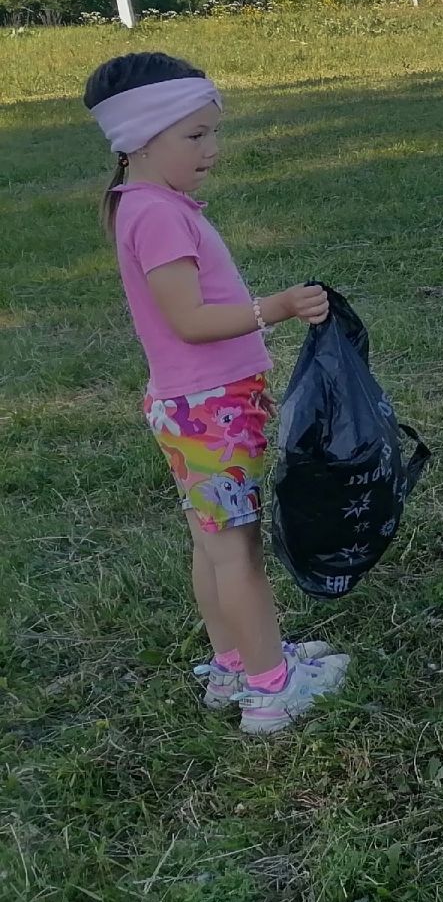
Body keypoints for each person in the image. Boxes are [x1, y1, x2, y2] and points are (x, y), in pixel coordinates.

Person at [90, 52, 350, 737]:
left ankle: (235, 662)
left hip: (194, 407)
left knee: (212, 544)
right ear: (141, 138)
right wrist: (278, 307)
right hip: (212, 411)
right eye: (195, 135)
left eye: (213, 132)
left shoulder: (147, 205)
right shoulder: (157, 216)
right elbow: (189, 320)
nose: (213, 149)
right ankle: (273, 691)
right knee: (238, 551)